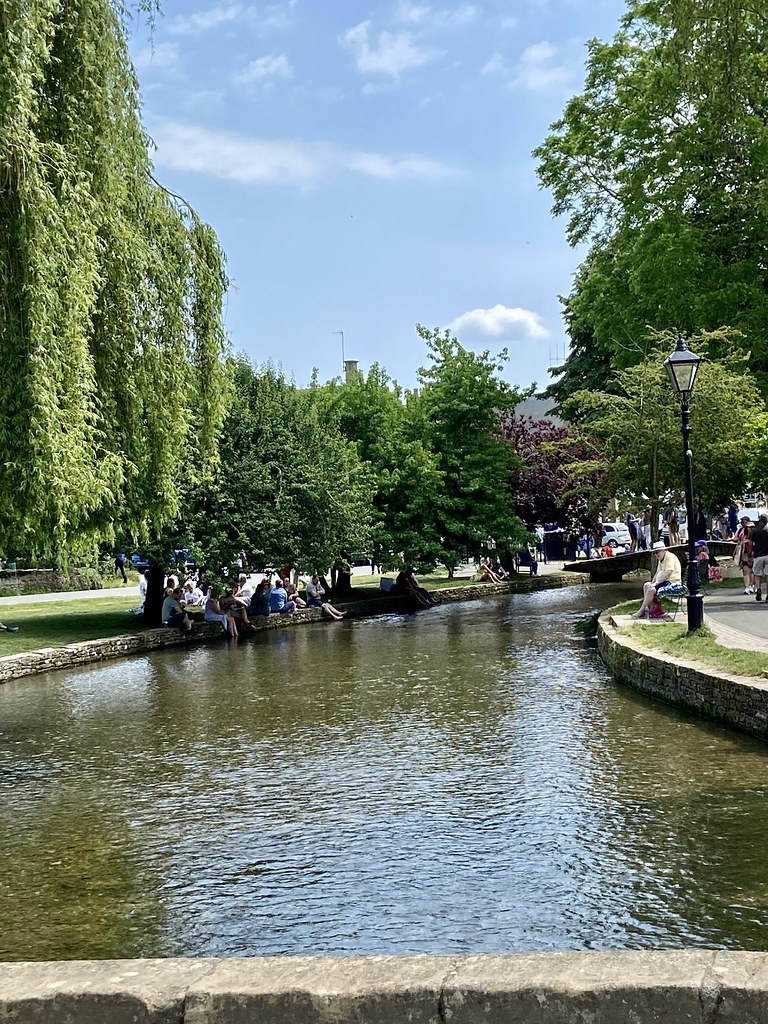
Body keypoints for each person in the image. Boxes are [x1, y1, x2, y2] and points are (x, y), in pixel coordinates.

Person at [633, 541, 684, 619]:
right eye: (654, 553)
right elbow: (657, 573)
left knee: (651, 590)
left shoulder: (669, 557)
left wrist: (655, 583)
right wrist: (652, 583)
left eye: (657, 552)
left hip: (673, 583)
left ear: (664, 550)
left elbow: (667, 573)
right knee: (647, 585)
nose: (656, 554)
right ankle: (652, 609)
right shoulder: (661, 559)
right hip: (665, 582)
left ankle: (642, 610)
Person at [735, 515, 755, 594]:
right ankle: (747, 586)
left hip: (753, 553)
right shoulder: (740, 531)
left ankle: (752, 585)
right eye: (742, 522)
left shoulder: (755, 533)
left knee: (752, 571)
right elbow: (736, 538)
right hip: (744, 553)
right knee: (745, 570)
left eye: (744, 522)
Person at [751, 514, 768, 601]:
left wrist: (750, 554)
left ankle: (759, 589)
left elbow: (751, 543)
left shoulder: (754, 531)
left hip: (758, 555)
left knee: (757, 574)